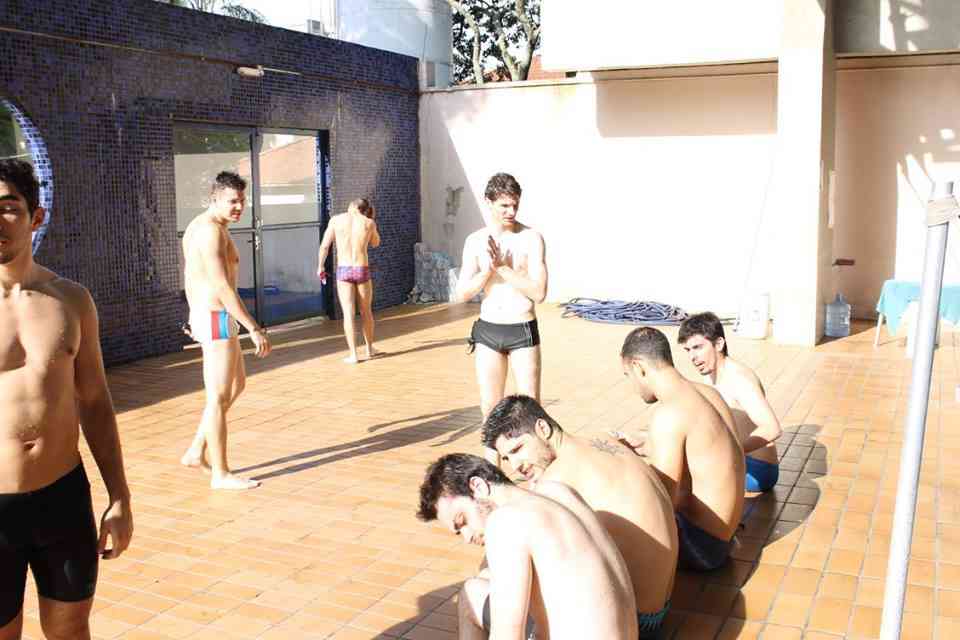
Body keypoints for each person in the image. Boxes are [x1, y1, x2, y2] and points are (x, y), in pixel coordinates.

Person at [0, 158, 133, 639]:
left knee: (71, 630)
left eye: (8, 207)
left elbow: (94, 400)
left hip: (62, 498)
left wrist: (119, 496)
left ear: (36, 217)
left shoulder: (71, 300)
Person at [482, 395, 677, 639]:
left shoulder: (556, 480)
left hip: (637, 621)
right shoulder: (602, 438)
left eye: (518, 449)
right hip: (663, 604)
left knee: (483, 592)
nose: (515, 465)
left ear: (543, 428)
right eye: (507, 458)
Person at [417, 453, 638, 640]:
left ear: (478, 486)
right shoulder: (558, 492)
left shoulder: (504, 522)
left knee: (469, 597)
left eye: (462, 521)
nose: (467, 537)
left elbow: (507, 635)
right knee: (480, 583)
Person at [620, 327, 745, 571]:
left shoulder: (668, 414)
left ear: (639, 367)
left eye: (628, 375)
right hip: (725, 535)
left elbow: (661, 502)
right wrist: (649, 444)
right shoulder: (708, 394)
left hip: (703, 546)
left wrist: (620, 460)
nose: (632, 385)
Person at [180, 171, 271, 490]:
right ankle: (220, 474)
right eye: (232, 201)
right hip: (215, 318)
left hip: (215, 317)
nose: (239, 207)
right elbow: (220, 286)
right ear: (215, 199)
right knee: (218, 397)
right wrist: (253, 328)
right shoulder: (210, 232)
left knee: (237, 385)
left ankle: (196, 450)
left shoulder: (205, 226)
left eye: (242, 200)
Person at [454, 173, 547, 465]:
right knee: (490, 407)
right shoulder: (475, 241)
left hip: (522, 328)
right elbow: (462, 294)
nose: (511, 211)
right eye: (504, 205)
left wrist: (504, 268)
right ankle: (492, 472)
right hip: (489, 331)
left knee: (529, 407)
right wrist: (487, 271)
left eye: (515, 205)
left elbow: (539, 292)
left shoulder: (531, 238)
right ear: (489, 202)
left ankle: (538, 468)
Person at [678, 312, 783, 492]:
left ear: (719, 344)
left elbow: (772, 428)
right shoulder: (711, 373)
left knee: (685, 474)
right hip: (738, 458)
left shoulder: (739, 379)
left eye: (698, 347)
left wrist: (730, 452)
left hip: (758, 469)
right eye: (688, 350)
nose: (692, 357)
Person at [317, 197, 381, 363]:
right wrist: (371, 223)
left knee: (348, 313)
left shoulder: (336, 220)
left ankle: (353, 355)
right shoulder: (368, 222)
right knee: (366, 311)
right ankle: (369, 350)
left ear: (352, 206)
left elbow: (325, 246)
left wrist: (320, 266)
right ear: (363, 209)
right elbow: (376, 243)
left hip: (344, 270)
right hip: (361, 268)